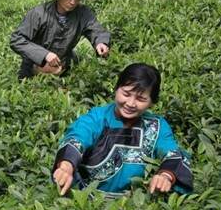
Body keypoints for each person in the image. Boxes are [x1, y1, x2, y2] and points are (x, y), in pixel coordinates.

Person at [52, 63, 193, 197]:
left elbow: (171, 152)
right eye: (126, 94)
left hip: (136, 207)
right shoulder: (97, 117)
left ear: (152, 102)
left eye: (141, 99)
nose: (130, 104)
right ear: (116, 88)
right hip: (87, 202)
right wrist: (66, 167)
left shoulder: (157, 125)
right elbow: (77, 138)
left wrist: (165, 176)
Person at [10, 0, 110, 80]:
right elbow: (17, 39)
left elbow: (96, 29)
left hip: (63, 66)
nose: (73, 2)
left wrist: (101, 42)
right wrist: (44, 55)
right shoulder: (39, 14)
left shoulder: (83, 13)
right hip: (34, 67)